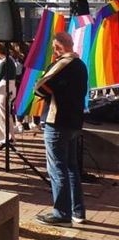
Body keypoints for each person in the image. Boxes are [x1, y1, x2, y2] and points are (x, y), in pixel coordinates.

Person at [34, 32, 88, 227]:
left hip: (57, 121)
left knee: (57, 168)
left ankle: (61, 213)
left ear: (57, 47)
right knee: (72, 168)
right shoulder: (80, 64)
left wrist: (50, 91)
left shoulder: (63, 64)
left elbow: (40, 85)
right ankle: (77, 211)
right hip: (74, 122)